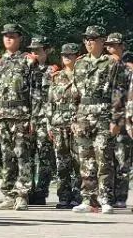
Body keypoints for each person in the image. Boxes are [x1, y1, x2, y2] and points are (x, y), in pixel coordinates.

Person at [71, 26, 125, 214]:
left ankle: (105, 199)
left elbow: (118, 93)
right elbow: (75, 94)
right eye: (86, 39)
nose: (88, 42)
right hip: (83, 116)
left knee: (104, 159)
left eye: (92, 39)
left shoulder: (112, 63)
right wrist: (73, 119)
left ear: (102, 41)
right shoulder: (79, 63)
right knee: (85, 160)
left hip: (103, 115)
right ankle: (88, 199)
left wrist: (116, 120)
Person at [0, 23, 36, 210]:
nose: (8, 39)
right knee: (6, 156)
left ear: (19, 39)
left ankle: (22, 195)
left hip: (21, 116)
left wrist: (33, 118)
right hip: (2, 116)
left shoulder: (28, 61)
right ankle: (8, 195)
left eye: (12, 36)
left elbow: (35, 92)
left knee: (22, 156)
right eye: (6, 36)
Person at [48, 44, 80, 209]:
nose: (67, 57)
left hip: (76, 124)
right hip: (59, 124)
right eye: (64, 55)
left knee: (78, 162)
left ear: (77, 56)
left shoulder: (81, 76)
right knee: (62, 162)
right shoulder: (56, 77)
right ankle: (64, 196)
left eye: (70, 55)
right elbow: (50, 103)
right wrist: (49, 125)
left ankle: (78, 196)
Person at [27, 36, 56, 205]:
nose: (34, 53)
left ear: (47, 50)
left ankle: (41, 192)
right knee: (28, 157)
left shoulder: (53, 70)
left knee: (45, 156)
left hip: (45, 119)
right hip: (28, 118)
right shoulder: (26, 69)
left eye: (38, 49)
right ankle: (29, 190)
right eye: (32, 50)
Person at [104, 33, 129, 208]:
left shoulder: (128, 67)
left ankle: (120, 196)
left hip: (123, 118)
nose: (110, 48)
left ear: (122, 46)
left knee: (122, 158)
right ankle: (107, 194)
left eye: (114, 45)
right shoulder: (104, 66)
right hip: (104, 116)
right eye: (108, 45)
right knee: (106, 158)